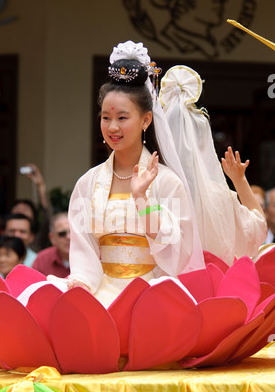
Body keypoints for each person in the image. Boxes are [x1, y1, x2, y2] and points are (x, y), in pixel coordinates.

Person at [65, 41, 204, 308]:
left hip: (151, 294)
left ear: (146, 120)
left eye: (122, 118)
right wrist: (81, 285)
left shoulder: (167, 182)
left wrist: (141, 199)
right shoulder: (88, 183)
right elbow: (83, 248)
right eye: (106, 117)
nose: (112, 127)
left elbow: (177, 253)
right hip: (97, 292)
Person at [159, 64, 267, 265]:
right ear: (204, 143)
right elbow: (258, 230)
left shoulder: (148, 191)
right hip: (210, 292)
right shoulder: (221, 197)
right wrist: (240, 180)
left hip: (162, 291)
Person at [14, 163, 52, 252]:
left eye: (25, 210)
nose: (21, 213)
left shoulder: (38, 242)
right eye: (17, 210)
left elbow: (47, 216)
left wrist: (40, 186)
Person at [32, 212, 70, 277]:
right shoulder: (41, 259)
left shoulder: (91, 256)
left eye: (73, 233)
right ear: (52, 238)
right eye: (62, 234)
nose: (69, 237)